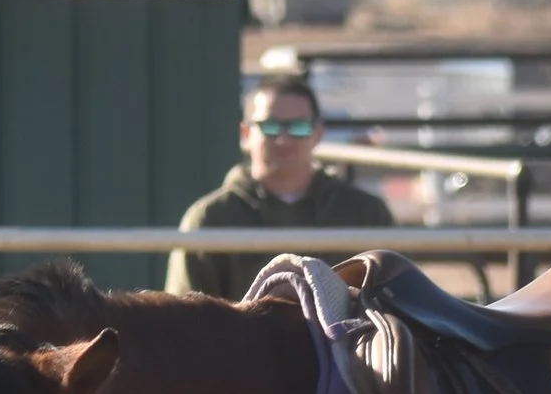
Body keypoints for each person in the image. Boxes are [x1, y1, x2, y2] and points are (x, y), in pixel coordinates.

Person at [166, 75, 396, 301]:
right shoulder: (209, 220)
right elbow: (186, 322)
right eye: (271, 127)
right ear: (246, 133)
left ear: (318, 134)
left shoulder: (366, 214)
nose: (284, 140)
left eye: (299, 127)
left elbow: (400, 305)